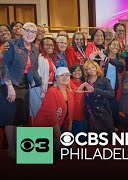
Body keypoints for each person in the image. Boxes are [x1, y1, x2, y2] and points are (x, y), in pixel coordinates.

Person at [0, 22, 41, 158]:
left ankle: (19, 147)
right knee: (11, 118)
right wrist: (9, 85)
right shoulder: (12, 44)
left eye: (33, 32)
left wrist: (40, 84)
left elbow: (33, 70)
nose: (30, 34)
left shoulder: (35, 49)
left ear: (36, 35)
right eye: (27, 31)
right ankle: (11, 149)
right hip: (10, 84)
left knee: (20, 117)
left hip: (24, 85)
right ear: (22, 32)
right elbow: (5, 65)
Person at [33, 67, 74, 158]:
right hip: (44, 130)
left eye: (67, 75)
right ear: (56, 78)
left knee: (70, 148)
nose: (65, 77)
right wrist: (60, 138)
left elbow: (70, 114)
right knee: (56, 153)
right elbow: (52, 117)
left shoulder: (69, 92)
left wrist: (68, 134)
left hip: (56, 129)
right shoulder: (52, 91)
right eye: (62, 75)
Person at [83, 60, 115, 134]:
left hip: (101, 111)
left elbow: (111, 94)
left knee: (107, 139)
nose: (91, 70)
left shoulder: (104, 80)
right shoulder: (85, 81)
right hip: (89, 113)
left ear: (96, 67)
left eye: (93, 67)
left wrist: (95, 90)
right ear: (86, 71)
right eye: (88, 68)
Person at [29, 37, 56, 118]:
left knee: (43, 114)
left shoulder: (49, 58)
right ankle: (34, 131)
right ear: (42, 46)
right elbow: (38, 76)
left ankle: (43, 131)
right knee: (37, 114)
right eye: (47, 45)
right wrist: (42, 91)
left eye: (52, 45)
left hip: (47, 88)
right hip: (38, 89)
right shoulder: (40, 58)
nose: (50, 47)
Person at [69, 64, 86, 137]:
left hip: (83, 115)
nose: (76, 72)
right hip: (73, 116)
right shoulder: (69, 82)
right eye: (74, 71)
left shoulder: (84, 82)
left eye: (79, 70)